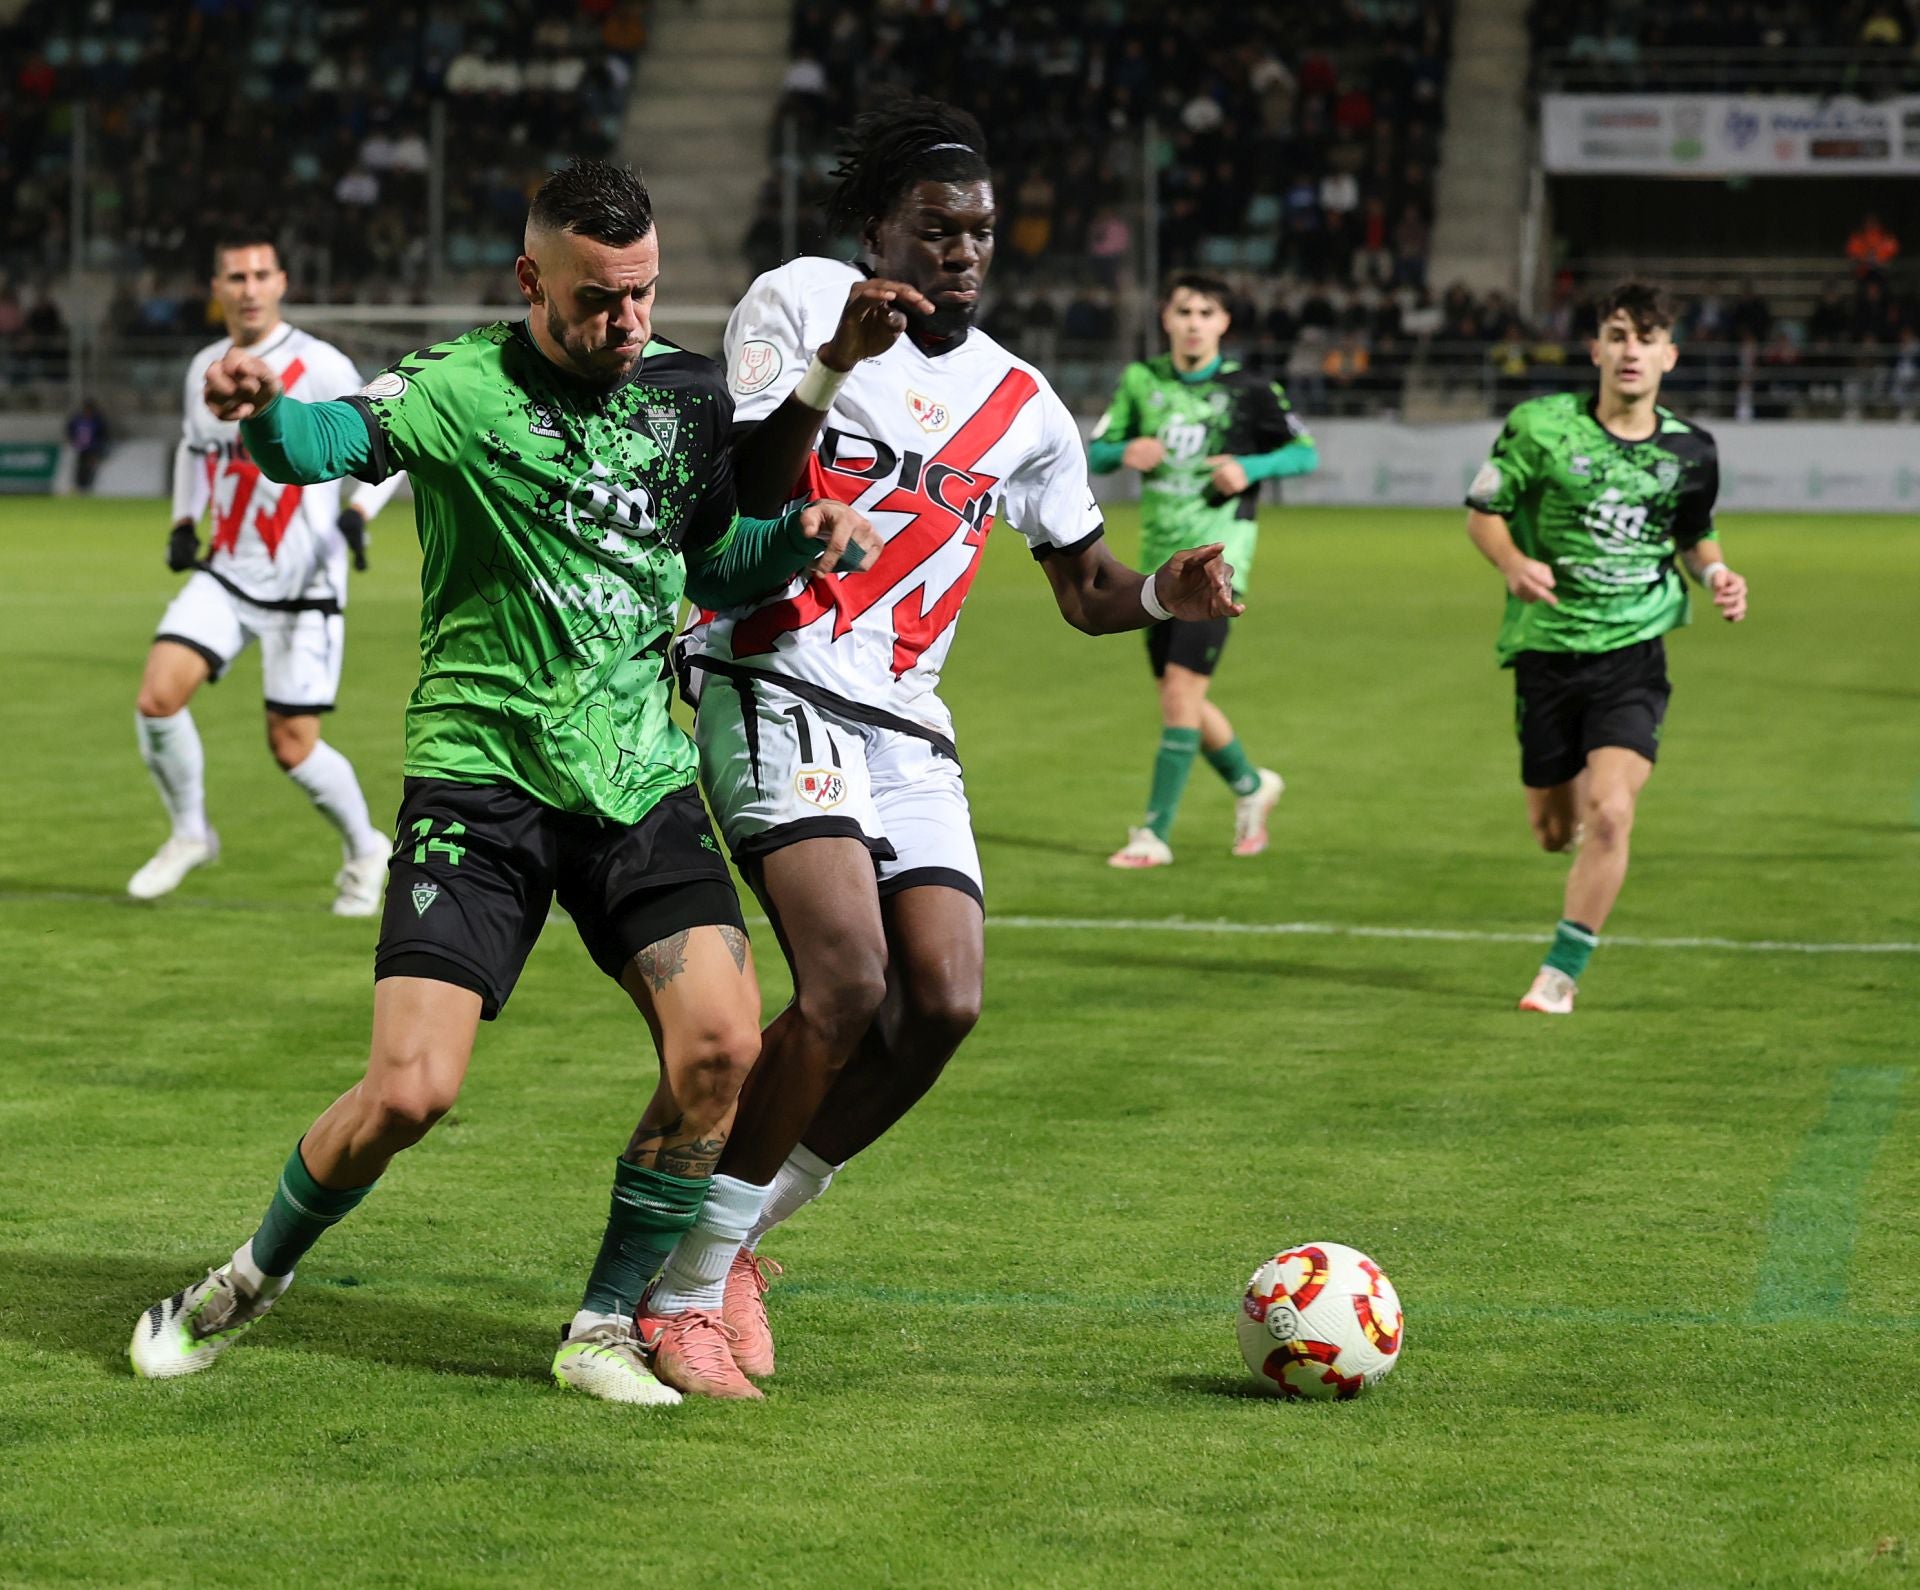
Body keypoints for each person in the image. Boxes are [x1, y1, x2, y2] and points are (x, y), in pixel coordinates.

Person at [128, 158, 874, 1407]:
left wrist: (790, 542)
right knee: (412, 1092)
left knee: (721, 1049)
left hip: (638, 779)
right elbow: (325, 443)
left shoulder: (685, 394)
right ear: (533, 277)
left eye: (641, 293)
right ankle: (247, 1279)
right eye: (597, 298)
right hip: (481, 785)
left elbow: (708, 559)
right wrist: (259, 413)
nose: (626, 322)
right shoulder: (457, 386)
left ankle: (598, 1329)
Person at [645, 98, 1242, 1398]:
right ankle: (681, 1293)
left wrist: (1163, 595)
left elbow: (1084, 583)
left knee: (946, 999)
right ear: (879, 228)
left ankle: (740, 1240)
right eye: (937, 227)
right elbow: (744, 487)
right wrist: (836, 361)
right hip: (776, 671)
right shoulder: (800, 300)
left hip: (908, 722)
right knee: (846, 980)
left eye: (980, 232)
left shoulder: (1024, 404)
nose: (965, 249)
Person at [1464, 279, 1748, 1015]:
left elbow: (1692, 534)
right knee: (1552, 830)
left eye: (1646, 339)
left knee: (1613, 812)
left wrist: (1716, 572)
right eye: (1618, 335)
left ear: (1670, 356)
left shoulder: (1691, 450)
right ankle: (1571, 839)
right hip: (1546, 650)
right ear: (1595, 348)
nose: (1631, 351)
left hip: (1633, 655)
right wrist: (1513, 563)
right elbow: (1484, 513)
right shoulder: (1539, 427)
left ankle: (1559, 973)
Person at [129, 238, 406, 913]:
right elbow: (196, 455)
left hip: (304, 582)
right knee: (158, 697)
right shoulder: (205, 366)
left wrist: (359, 513)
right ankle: (191, 834)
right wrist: (182, 522)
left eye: (260, 275)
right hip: (226, 572)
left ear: (281, 282)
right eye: (235, 277)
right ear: (216, 288)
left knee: (291, 745)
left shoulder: (319, 363)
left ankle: (367, 849)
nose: (249, 288)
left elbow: (393, 440)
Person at [1089, 271, 1319, 869]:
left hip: (1220, 562)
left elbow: (1305, 450)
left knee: (1179, 694)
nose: (1194, 322)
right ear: (1165, 318)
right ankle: (1250, 785)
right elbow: (1095, 447)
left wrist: (1250, 467)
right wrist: (1124, 452)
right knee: (1181, 695)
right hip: (1160, 567)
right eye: (1184, 310)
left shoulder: (1251, 389)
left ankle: (1154, 834)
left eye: (1206, 312)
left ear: (1224, 323)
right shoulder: (1142, 381)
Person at [66, 398, 110, 490]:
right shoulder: (78, 419)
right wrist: (73, 440)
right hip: (81, 448)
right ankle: (79, 486)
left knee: (90, 468)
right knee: (80, 467)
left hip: (93, 448)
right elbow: (70, 429)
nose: (87, 411)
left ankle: (89, 486)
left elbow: (103, 434)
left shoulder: (97, 421)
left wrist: (100, 447)